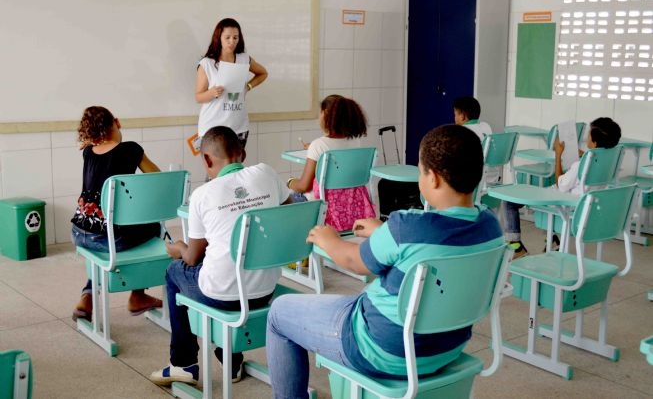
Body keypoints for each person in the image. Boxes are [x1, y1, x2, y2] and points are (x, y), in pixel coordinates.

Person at [266, 124, 504, 398]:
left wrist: (328, 238)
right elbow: (433, 242)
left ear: (434, 178)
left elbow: (354, 261)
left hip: (382, 349)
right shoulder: (490, 226)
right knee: (354, 299)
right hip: (446, 347)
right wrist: (382, 231)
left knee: (279, 313)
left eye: (421, 170)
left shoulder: (406, 226)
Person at [149, 126, 292, 387]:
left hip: (223, 296)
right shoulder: (266, 173)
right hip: (265, 289)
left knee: (174, 272)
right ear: (243, 153)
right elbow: (288, 211)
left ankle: (183, 364)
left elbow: (191, 258)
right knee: (217, 258)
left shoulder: (201, 195)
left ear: (206, 159)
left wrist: (178, 248)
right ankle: (231, 359)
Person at [71, 106, 163, 321]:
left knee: (104, 238)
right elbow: (157, 178)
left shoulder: (88, 152)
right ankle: (137, 295)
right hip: (110, 238)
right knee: (153, 227)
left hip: (79, 233)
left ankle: (88, 297)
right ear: (117, 122)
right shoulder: (131, 149)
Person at [503, 117, 622, 257]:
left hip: (564, 202)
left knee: (509, 201)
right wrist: (584, 155)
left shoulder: (579, 166)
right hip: (586, 206)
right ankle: (552, 240)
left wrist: (558, 155)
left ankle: (516, 248)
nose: (586, 138)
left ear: (594, 142)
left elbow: (561, 184)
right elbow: (590, 165)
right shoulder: (609, 163)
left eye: (589, 135)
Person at [286, 95, 375, 232]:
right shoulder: (356, 143)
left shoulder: (318, 146)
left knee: (286, 197)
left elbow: (304, 186)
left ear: (326, 114)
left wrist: (289, 182)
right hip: (353, 209)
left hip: (326, 210)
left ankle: (301, 250)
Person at [196, 17, 268, 148]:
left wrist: (248, 86)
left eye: (235, 37)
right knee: (217, 168)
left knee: (236, 167)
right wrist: (211, 93)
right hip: (212, 127)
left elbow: (263, 73)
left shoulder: (244, 59)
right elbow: (199, 97)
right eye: (227, 37)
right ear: (219, 38)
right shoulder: (207, 63)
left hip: (239, 127)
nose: (232, 41)